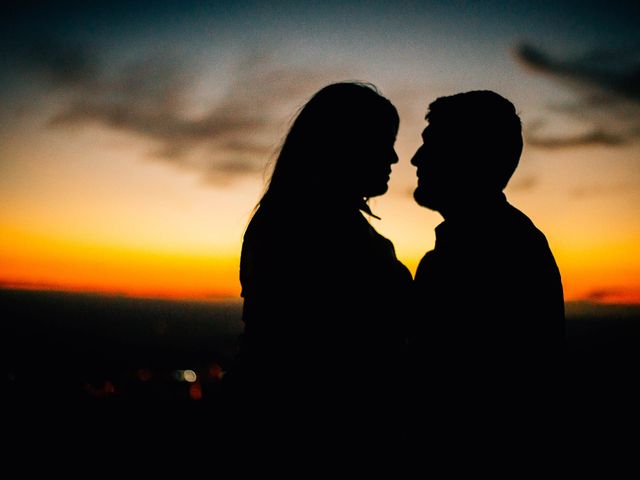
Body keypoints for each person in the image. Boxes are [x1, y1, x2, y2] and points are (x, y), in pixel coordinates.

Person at [222, 82, 412, 417]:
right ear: (345, 145)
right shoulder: (314, 228)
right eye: (384, 143)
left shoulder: (291, 218)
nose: (394, 157)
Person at [409, 90, 566, 406]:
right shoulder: (507, 241)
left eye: (431, 143)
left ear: (466, 156)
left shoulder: (499, 253)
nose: (416, 158)